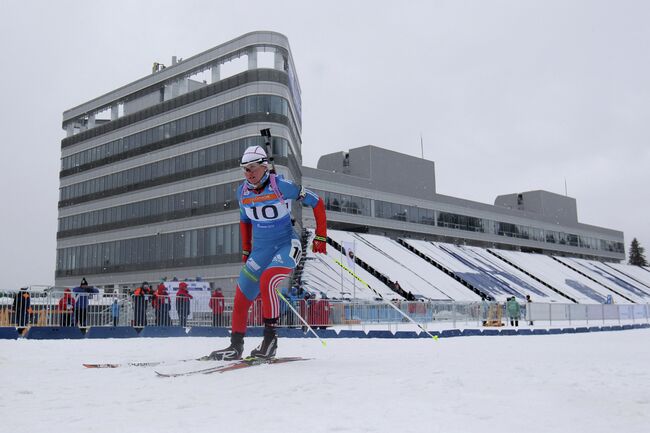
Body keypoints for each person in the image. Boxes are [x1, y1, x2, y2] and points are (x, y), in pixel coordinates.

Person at [208, 144, 327, 360]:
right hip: (261, 250)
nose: (249, 174)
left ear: (264, 167)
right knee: (242, 294)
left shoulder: (281, 185)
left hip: (286, 245)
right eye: (245, 169)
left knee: (268, 280)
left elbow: (317, 202)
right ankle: (235, 346)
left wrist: (320, 236)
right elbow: (244, 220)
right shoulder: (242, 191)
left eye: (253, 168)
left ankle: (270, 341)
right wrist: (246, 250)